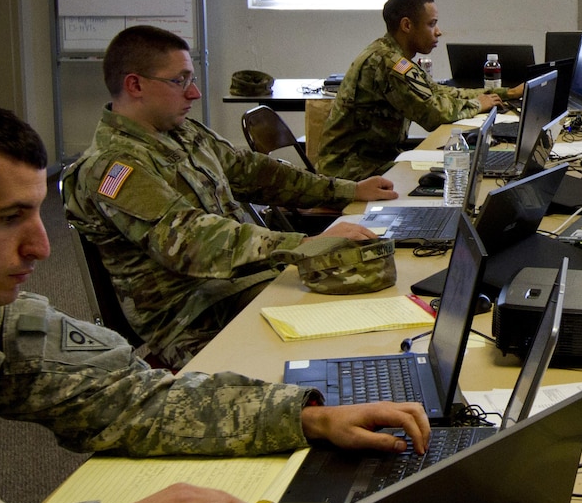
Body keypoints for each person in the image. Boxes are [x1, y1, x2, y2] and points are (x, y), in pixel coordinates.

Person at [0, 94, 430, 503]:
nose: (41, 247)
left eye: (35, 211)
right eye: (8, 219)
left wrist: (307, 417)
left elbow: (130, 399)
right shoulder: (114, 168)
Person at [64, 26, 397, 369]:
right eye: (179, 81)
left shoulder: (181, 132)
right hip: (194, 318)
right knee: (349, 341)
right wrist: (305, 244)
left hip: (241, 285)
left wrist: (347, 190)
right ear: (135, 85)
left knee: (372, 308)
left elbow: (254, 171)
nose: (194, 93)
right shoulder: (112, 167)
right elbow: (192, 240)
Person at [315, 0, 520, 180]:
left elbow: (438, 91)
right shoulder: (388, 63)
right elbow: (434, 115)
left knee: (457, 169)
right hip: (348, 171)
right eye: (431, 24)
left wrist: (505, 93)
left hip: (374, 161)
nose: (438, 31)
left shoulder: (393, 55)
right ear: (407, 25)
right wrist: (478, 104)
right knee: (457, 173)